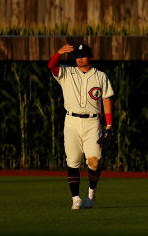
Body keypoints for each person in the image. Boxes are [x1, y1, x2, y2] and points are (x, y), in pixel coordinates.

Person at [47, 43, 114, 210]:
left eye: (83, 55)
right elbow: (51, 66)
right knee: (73, 161)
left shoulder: (100, 76)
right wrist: (58, 53)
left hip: (92, 122)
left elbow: (106, 99)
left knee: (94, 161)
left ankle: (91, 192)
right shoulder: (67, 73)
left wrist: (109, 125)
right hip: (71, 122)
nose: (79, 58)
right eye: (77, 56)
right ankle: (75, 198)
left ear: (90, 57)